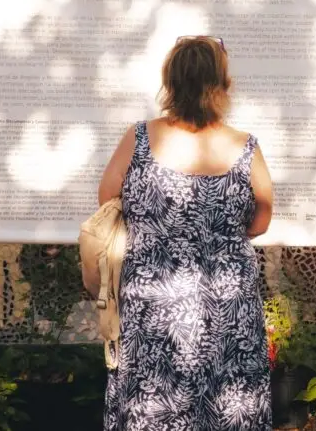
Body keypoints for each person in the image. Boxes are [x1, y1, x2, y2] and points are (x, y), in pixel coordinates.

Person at [97, 35, 274, 431]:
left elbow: (107, 200)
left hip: (152, 300)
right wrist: (215, 235)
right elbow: (261, 219)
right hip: (227, 300)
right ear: (222, 84)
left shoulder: (139, 138)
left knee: (152, 399)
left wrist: (158, 229)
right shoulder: (246, 147)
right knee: (231, 399)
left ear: (171, 82)